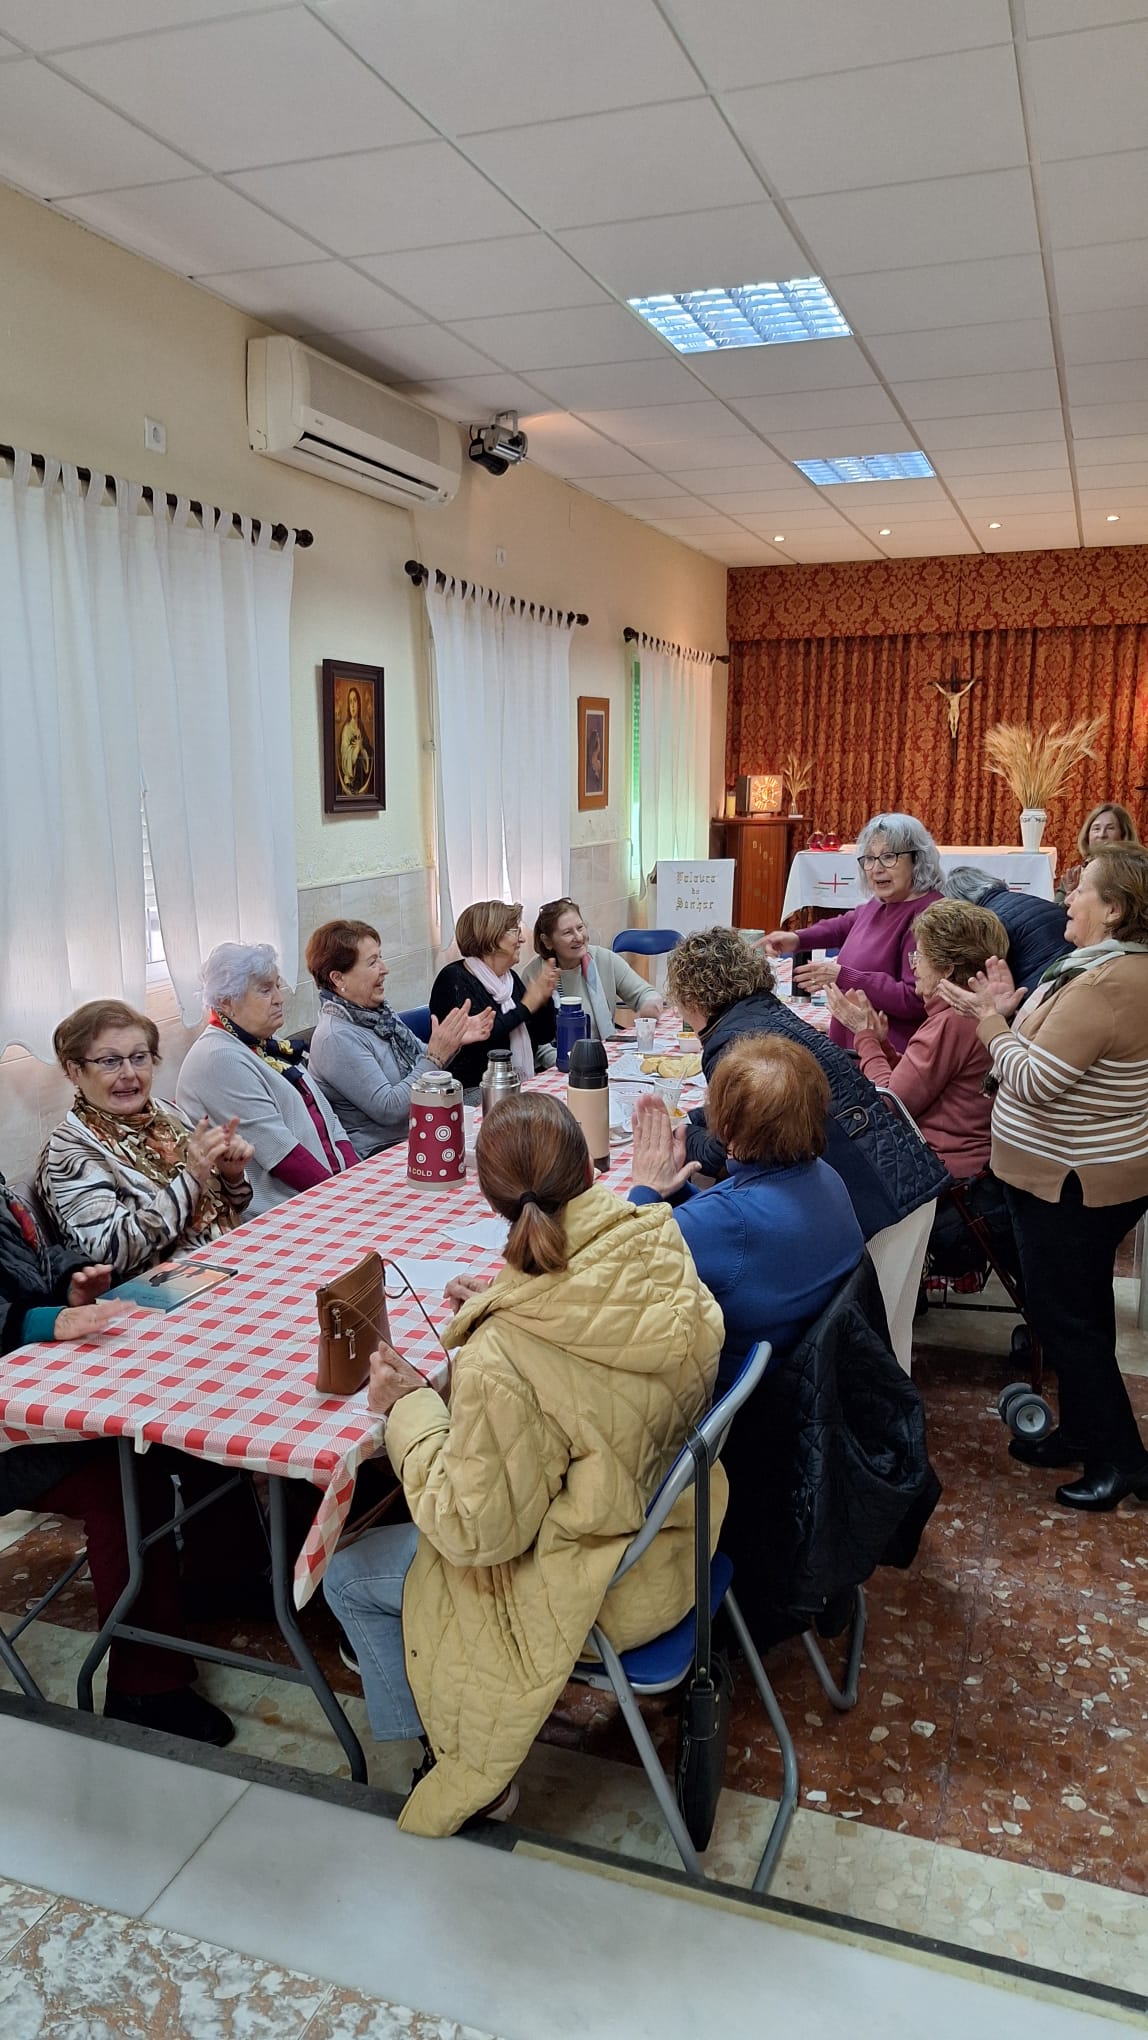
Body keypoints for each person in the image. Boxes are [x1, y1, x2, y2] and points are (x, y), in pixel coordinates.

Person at [323, 1090, 724, 1836]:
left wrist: (409, 1408)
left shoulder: (505, 1354)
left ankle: (458, 1770)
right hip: (675, 1534)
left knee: (345, 1574)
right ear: (587, 1167)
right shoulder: (655, 1241)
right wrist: (506, 1302)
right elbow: (584, 1350)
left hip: (594, 1577)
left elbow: (476, 1532)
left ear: (492, 1201)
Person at [938, 845, 1148, 1509]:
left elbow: (1032, 1080)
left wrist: (988, 1022)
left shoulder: (1108, 984)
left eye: (1082, 889)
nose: (1067, 898)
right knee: (1080, 1316)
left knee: (1068, 1324)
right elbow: (1048, 1049)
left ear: (1114, 910)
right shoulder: (1100, 967)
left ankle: (1122, 1463)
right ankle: (1083, 1433)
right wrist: (1008, 1012)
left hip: (1072, 1181)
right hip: (1073, 1174)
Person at [0, 1172, 235, 1744]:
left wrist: (72, 1280)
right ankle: (143, 1688)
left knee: (184, 1415)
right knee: (122, 1472)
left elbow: (34, 1253)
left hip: (29, 1390)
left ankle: (222, 1577)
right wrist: (36, 1319)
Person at [666, 927, 946, 1372]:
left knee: (883, 1356)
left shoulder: (734, 1043)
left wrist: (680, 1134)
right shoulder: (763, 1013)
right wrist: (700, 1121)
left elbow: (726, 1150)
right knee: (889, 1337)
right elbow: (734, 1121)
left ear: (692, 997)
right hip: (894, 1167)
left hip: (883, 1193)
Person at [628, 1037, 863, 1388]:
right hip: (804, 1377)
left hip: (727, 1396)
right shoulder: (826, 1177)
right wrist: (674, 1189)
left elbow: (626, 1267)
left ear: (727, 1128)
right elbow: (730, 1225)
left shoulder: (730, 1223)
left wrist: (645, 1188)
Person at [827, 900, 1019, 1284]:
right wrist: (883, 1046)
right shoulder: (968, 1016)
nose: (913, 965)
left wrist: (864, 1036)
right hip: (972, 1170)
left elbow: (889, 1105)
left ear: (946, 969)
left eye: (920, 955)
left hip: (943, 1179)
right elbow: (925, 1083)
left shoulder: (950, 1022)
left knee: (826, 1167)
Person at [37, 1001, 253, 1277]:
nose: (129, 1073)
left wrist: (231, 1174)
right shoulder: (69, 1150)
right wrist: (191, 1179)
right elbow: (111, 1252)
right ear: (75, 1071)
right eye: (110, 1061)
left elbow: (232, 1205)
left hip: (230, 1256)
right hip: (163, 1287)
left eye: (139, 1057)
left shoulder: (164, 1113)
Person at [176, 943, 356, 1216]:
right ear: (226, 1002)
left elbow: (329, 1121)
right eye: (265, 990)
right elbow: (281, 1154)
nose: (279, 998)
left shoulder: (264, 1043)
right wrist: (342, 1201)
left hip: (327, 1192)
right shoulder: (218, 1057)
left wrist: (355, 1178)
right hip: (283, 1212)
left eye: (277, 986)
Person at [304, 920, 493, 1158]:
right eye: (372, 962)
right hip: (381, 1153)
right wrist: (435, 1056)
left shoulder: (378, 1015)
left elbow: (421, 1061)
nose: (385, 969)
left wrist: (452, 1041)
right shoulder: (335, 1037)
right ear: (338, 978)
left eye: (381, 958)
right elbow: (390, 1109)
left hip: (419, 1131)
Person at [762, 812, 944, 1053]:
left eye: (889, 857)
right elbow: (846, 925)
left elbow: (914, 999)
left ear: (917, 860)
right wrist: (797, 939)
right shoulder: (883, 902)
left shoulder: (929, 916)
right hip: (855, 1043)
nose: (876, 868)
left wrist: (844, 976)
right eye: (869, 858)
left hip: (890, 1054)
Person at [428, 901, 558, 1098]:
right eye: (515, 931)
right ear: (491, 938)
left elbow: (542, 1036)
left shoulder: (510, 980)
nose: (522, 939)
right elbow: (482, 1045)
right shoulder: (453, 979)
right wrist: (526, 1006)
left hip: (511, 1083)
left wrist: (544, 1000)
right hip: (470, 1090)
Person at [522, 897, 662, 1067]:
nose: (578, 937)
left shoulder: (604, 959)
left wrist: (649, 1005)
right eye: (567, 933)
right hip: (561, 1066)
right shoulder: (535, 974)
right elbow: (538, 1044)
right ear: (548, 941)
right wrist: (570, 1064)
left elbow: (645, 993)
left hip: (604, 1058)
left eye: (580, 927)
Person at [942, 865, 1069, 991]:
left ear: (959, 902)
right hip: (1070, 972)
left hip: (1043, 989)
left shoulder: (989, 924)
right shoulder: (1032, 900)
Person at [1059, 802, 1140, 901]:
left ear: (1124, 834)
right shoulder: (1074, 875)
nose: (1101, 835)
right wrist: (1070, 894)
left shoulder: (1134, 873)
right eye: (1096, 828)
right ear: (1087, 835)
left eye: (1110, 828)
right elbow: (1052, 909)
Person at [338, 687, 373, 798]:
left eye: (355, 701)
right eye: (350, 701)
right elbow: (344, 755)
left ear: (359, 704)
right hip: (350, 782)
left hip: (362, 781)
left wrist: (362, 749)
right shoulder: (346, 729)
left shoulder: (361, 729)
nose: (353, 705)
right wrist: (355, 750)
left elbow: (370, 754)